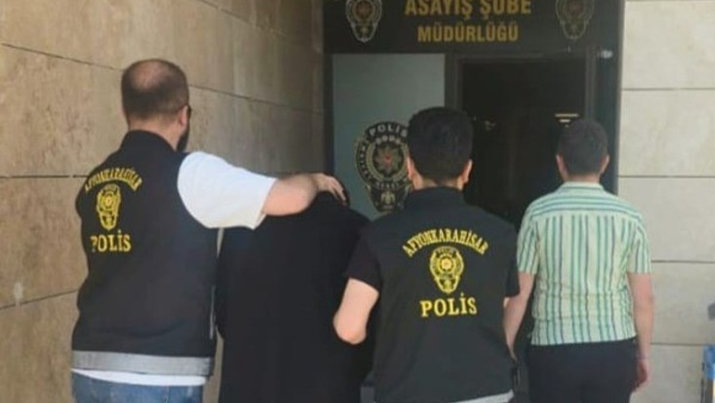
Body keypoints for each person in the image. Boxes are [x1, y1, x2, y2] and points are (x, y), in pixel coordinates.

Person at [70, 59, 344, 403]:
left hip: (89, 368)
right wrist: (316, 180)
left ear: (126, 111)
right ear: (183, 115)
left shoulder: (97, 179)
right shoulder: (190, 173)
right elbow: (291, 199)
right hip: (156, 374)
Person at [334, 107, 523, 403]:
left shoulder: (380, 236)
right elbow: (499, 303)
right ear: (467, 170)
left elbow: (348, 328)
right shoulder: (500, 234)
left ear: (409, 167)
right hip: (487, 389)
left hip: (409, 391)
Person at [505, 119, 655, 403]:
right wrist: (643, 355)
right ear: (605, 163)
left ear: (560, 162)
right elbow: (644, 298)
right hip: (614, 349)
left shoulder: (538, 213)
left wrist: (507, 347)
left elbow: (519, 293)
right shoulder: (629, 217)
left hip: (554, 350)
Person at [215, 191, 372, 403]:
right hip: (325, 385)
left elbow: (223, 315)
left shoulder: (241, 227)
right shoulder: (357, 228)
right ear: (342, 199)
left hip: (248, 384)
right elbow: (363, 329)